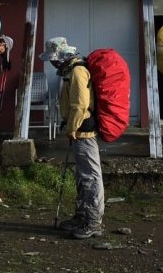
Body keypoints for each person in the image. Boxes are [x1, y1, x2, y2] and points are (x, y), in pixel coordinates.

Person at [40, 36, 104, 240]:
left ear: (61, 57)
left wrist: (72, 127)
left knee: (91, 177)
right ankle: (81, 216)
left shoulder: (77, 72)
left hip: (82, 131)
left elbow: (80, 104)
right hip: (78, 130)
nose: (51, 62)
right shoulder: (72, 71)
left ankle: (93, 222)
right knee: (81, 176)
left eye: (53, 59)